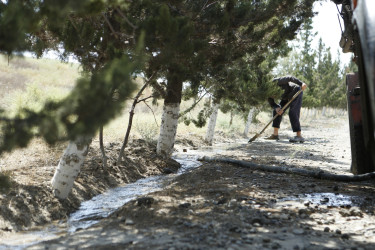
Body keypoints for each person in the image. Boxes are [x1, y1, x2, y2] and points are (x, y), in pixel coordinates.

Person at [266, 76, 307, 143]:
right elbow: (271, 102)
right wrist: (276, 107)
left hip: (296, 92)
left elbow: (290, 78)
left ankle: (299, 136)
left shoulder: (276, 81)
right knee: (277, 111)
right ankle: (275, 135)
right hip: (286, 98)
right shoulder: (267, 90)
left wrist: (301, 83)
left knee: (293, 112)